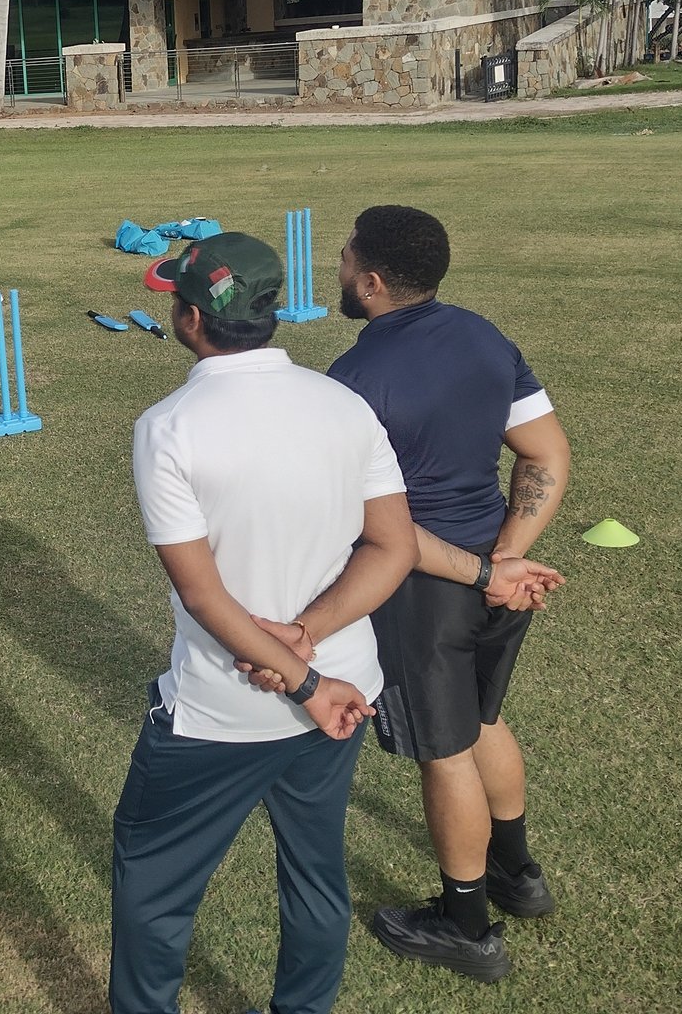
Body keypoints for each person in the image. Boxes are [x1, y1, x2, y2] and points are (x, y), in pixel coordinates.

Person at [111, 233, 418, 1014]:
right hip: (342, 689)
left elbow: (208, 600)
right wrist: (311, 640)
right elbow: (394, 547)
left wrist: (302, 673)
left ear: (187, 318)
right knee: (316, 876)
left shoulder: (169, 426)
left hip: (230, 707)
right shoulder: (341, 402)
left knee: (154, 889)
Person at [310, 205, 572, 983]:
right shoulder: (485, 336)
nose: (340, 267)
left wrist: (488, 571)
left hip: (427, 590)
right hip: (497, 568)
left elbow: (381, 529)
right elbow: (547, 452)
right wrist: (509, 559)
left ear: (375, 282)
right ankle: (517, 877)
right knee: (484, 717)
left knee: (446, 748)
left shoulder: (352, 384)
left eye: (347, 258)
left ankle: (466, 926)